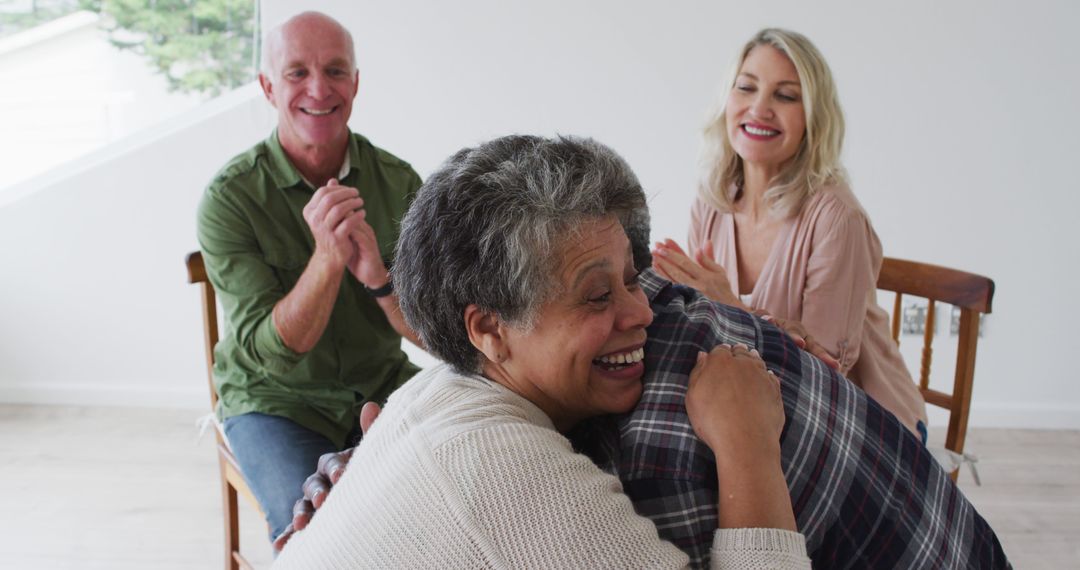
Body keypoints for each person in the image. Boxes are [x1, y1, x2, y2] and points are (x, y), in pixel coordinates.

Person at [275, 135, 812, 568]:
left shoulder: (433, 390)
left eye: (633, 280)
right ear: (489, 329)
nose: (641, 313)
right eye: (598, 296)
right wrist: (748, 444)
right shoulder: (514, 480)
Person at [195, 11, 422, 543]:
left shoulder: (400, 182)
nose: (319, 89)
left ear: (356, 83)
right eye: (297, 73)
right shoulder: (230, 198)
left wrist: (381, 280)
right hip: (275, 403)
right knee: (315, 536)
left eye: (336, 71)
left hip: (382, 385)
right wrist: (327, 256)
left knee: (470, 479)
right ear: (268, 87)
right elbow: (275, 355)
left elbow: (439, 335)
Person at [652, 28, 929, 439]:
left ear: (813, 118)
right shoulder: (711, 203)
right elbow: (706, 332)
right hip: (764, 407)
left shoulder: (837, 217)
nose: (759, 108)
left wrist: (728, 304)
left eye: (785, 96)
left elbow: (823, 374)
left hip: (864, 421)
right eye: (746, 88)